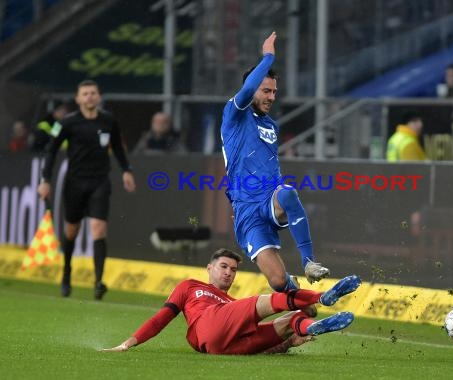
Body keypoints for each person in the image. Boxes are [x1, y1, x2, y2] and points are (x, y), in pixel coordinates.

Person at [219, 31, 330, 294]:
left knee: (289, 193)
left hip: (269, 197)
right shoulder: (234, 114)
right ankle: (300, 293)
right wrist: (268, 56)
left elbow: (269, 163)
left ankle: (309, 262)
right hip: (246, 207)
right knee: (278, 283)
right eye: (266, 90)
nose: (271, 97)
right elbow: (246, 91)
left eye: (274, 92)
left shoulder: (270, 125)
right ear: (252, 89)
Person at [102, 248, 361, 355]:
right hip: (207, 327)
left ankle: (307, 329)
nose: (228, 272)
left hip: (223, 347)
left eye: (233, 270)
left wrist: (287, 345)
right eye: (223, 267)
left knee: (290, 321)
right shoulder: (190, 287)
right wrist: (127, 343)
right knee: (269, 300)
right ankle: (322, 298)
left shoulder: (231, 302)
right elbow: (161, 319)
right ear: (209, 268)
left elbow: (259, 349)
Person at [37, 79, 136, 300]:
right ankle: (66, 273)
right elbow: (51, 151)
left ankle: (98, 282)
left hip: (100, 182)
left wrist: (126, 170)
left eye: (93, 93)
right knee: (71, 230)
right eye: (85, 93)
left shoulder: (109, 120)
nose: (89, 97)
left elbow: (118, 148)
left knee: (99, 229)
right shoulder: (67, 122)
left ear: (99, 96)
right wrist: (45, 179)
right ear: (78, 98)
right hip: (75, 183)